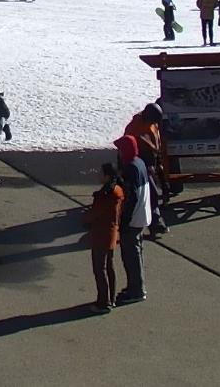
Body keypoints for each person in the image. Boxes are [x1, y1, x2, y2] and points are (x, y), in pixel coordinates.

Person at [115, 134, 152, 304]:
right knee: (136, 253)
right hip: (143, 215)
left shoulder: (130, 168)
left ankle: (136, 290)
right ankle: (136, 286)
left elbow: (131, 197)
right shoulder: (140, 163)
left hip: (133, 218)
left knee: (130, 255)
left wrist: (124, 221)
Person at [83, 163, 124, 313]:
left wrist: (85, 218)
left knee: (100, 269)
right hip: (112, 233)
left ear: (106, 176)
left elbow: (94, 214)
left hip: (101, 234)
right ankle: (110, 299)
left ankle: (104, 302)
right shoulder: (118, 190)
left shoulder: (105, 195)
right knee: (109, 266)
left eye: (101, 173)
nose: (98, 175)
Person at [122, 103, 168, 237]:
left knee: (151, 193)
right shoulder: (134, 128)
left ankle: (152, 222)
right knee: (152, 193)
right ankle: (155, 223)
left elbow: (155, 144)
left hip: (150, 162)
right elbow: (127, 149)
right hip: (139, 164)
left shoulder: (152, 124)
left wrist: (158, 164)